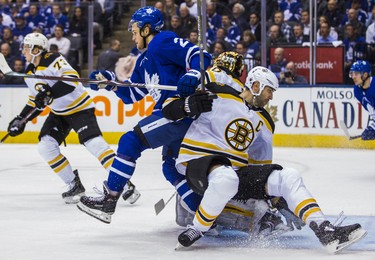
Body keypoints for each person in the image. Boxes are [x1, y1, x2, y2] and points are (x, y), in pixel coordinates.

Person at [166, 66, 367, 253]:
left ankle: (326, 231)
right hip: (198, 164)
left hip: (232, 174)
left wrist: (277, 197)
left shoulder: (264, 123)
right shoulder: (221, 95)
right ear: (255, 85)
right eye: (269, 90)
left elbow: (260, 165)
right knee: (226, 178)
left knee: (288, 176)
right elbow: (171, 106)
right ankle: (197, 229)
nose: (271, 97)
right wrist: (191, 87)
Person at [76, 6, 211, 224]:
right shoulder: (143, 60)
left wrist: (194, 73)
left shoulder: (162, 41)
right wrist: (109, 83)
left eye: (135, 29)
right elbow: (133, 93)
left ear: (147, 29)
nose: (132, 34)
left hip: (177, 111)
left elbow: (200, 55)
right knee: (171, 168)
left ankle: (109, 198)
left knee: (130, 141)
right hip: (172, 115)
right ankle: (205, 216)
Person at [6, 32, 139, 205]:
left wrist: (48, 94)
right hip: (59, 113)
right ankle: (73, 184)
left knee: (95, 144)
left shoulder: (53, 58)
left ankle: (124, 183)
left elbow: (71, 80)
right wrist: (20, 119)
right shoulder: (30, 72)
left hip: (80, 109)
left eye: (26, 47)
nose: (23, 51)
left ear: (37, 49)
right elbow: (35, 101)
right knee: (45, 147)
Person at [349, 60, 375, 140]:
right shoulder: (357, 91)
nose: (353, 77)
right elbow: (373, 113)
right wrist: (371, 127)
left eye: (356, 74)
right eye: (352, 74)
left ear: (365, 75)